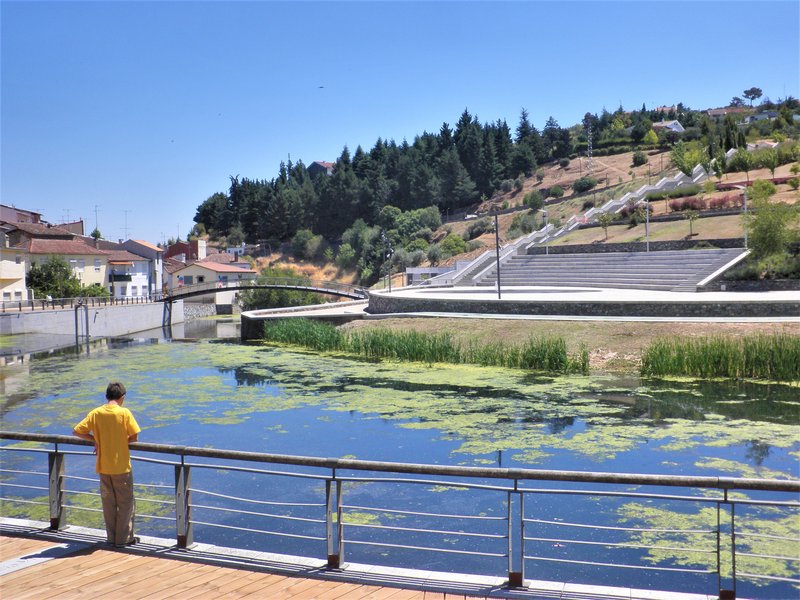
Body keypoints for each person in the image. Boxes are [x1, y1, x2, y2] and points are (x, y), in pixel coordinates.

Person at [73, 381, 141, 548]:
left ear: (107, 396)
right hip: (121, 467)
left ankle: (111, 538)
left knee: (109, 504)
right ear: (122, 397)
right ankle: (123, 539)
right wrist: (120, 440)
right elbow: (134, 437)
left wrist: (96, 439)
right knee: (125, 503)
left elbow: (77, 431)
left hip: (103, 466)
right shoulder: (124, 413)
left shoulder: (96, 413)